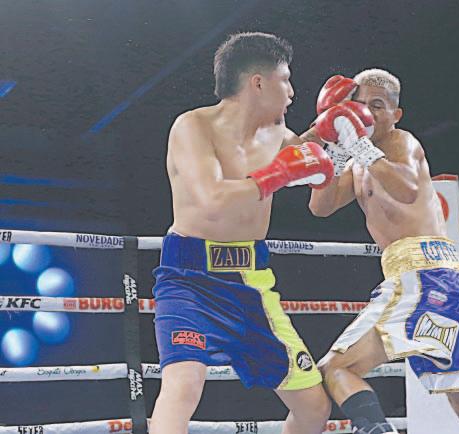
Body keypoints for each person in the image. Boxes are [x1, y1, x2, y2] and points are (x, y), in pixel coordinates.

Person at [149, 32, 334, 434]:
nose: (292, 92)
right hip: (190, 280)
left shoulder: (281, 136)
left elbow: (320, 186)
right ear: (258, 82)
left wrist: (335, 136)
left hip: (252, 283)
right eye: (285, 80)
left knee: (314, 408)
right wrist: (278, 174)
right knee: (183, 385)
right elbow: (212, 199)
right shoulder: (193, 126)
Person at [304, 69, 459, 434]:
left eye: (377, 106)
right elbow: (321, 206)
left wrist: (359, 145)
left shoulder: (400, 142)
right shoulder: (358, 164)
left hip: (423, 278)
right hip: (450, 285)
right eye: (358, 105)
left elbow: (408, 188)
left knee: (336, 369)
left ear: (396, 114)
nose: (366, 113)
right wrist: (335, 147)